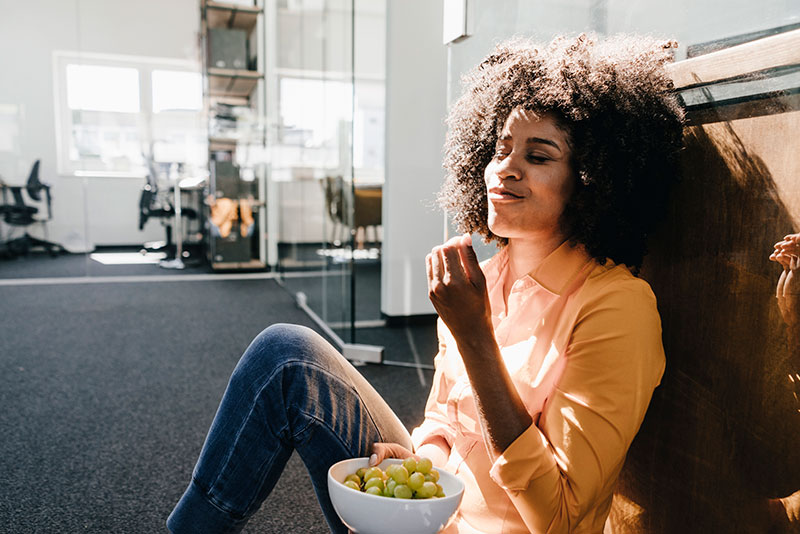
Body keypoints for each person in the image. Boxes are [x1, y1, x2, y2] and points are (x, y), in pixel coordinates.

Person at [167, 33, 685, 534]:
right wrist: (422, 454)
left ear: (594, 180)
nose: (504, 169)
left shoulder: (616, 306)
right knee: (285, 354)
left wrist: (475, 336)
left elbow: (560, 519)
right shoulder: (482, 278)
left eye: (539, 156)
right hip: (429, 515)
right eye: (501, 148)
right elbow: (444, 416)